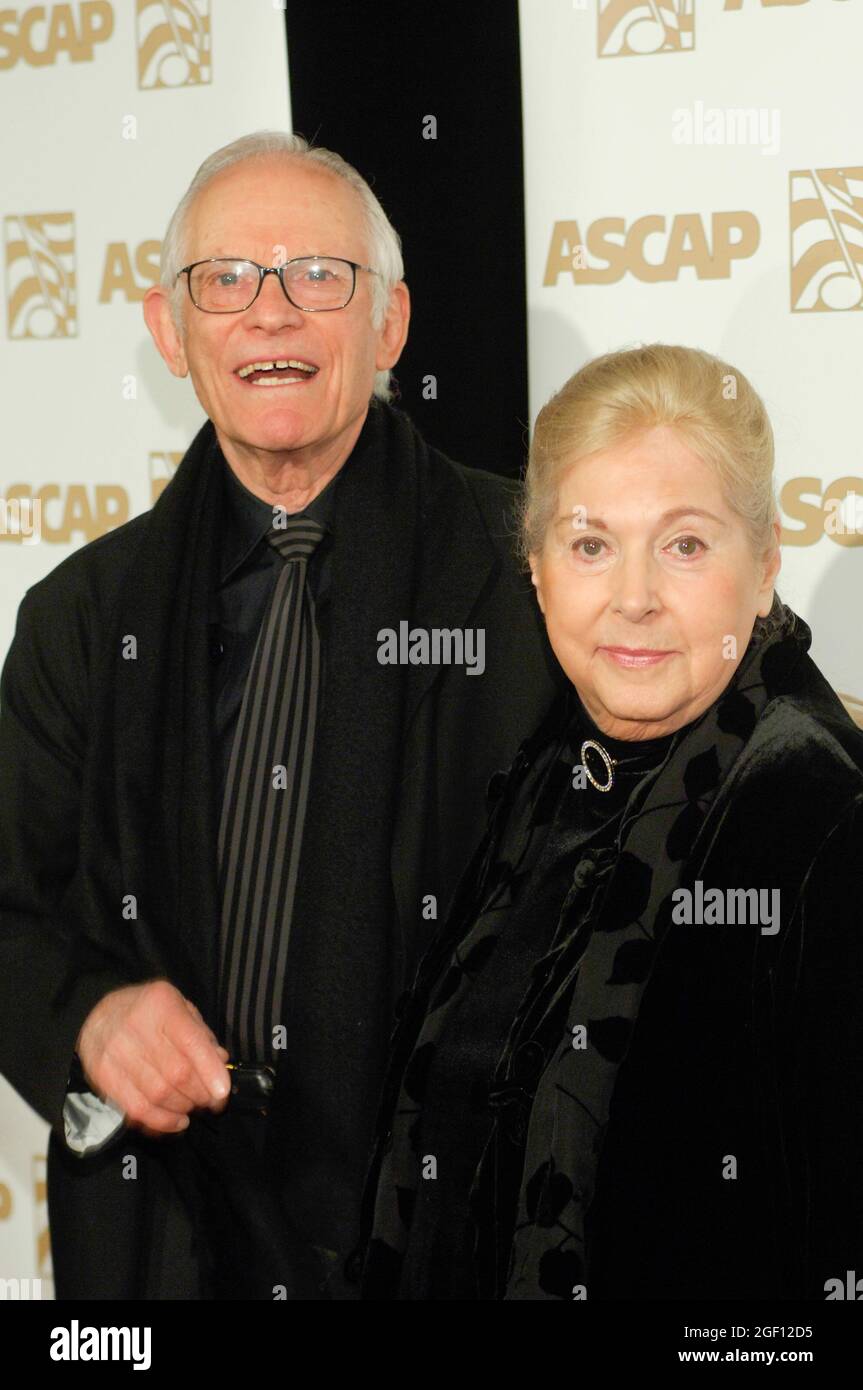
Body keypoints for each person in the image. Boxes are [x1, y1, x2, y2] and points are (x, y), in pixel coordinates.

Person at [0, 131, 563, 1300]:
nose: (270, 313)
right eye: (226, 280)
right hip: (163, 1246)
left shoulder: (533, 581)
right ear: (171, 332)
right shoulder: (77, 617)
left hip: (446, 1240)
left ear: (390, 325)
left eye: (318, 275)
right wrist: (88, 1016)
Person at [356, 343, 863, 1300]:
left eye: (683, 544)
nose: (632, 597)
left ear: (762, 570)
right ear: (538, 569)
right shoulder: (540, 786)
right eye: (591, 545)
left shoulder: (818, 816)